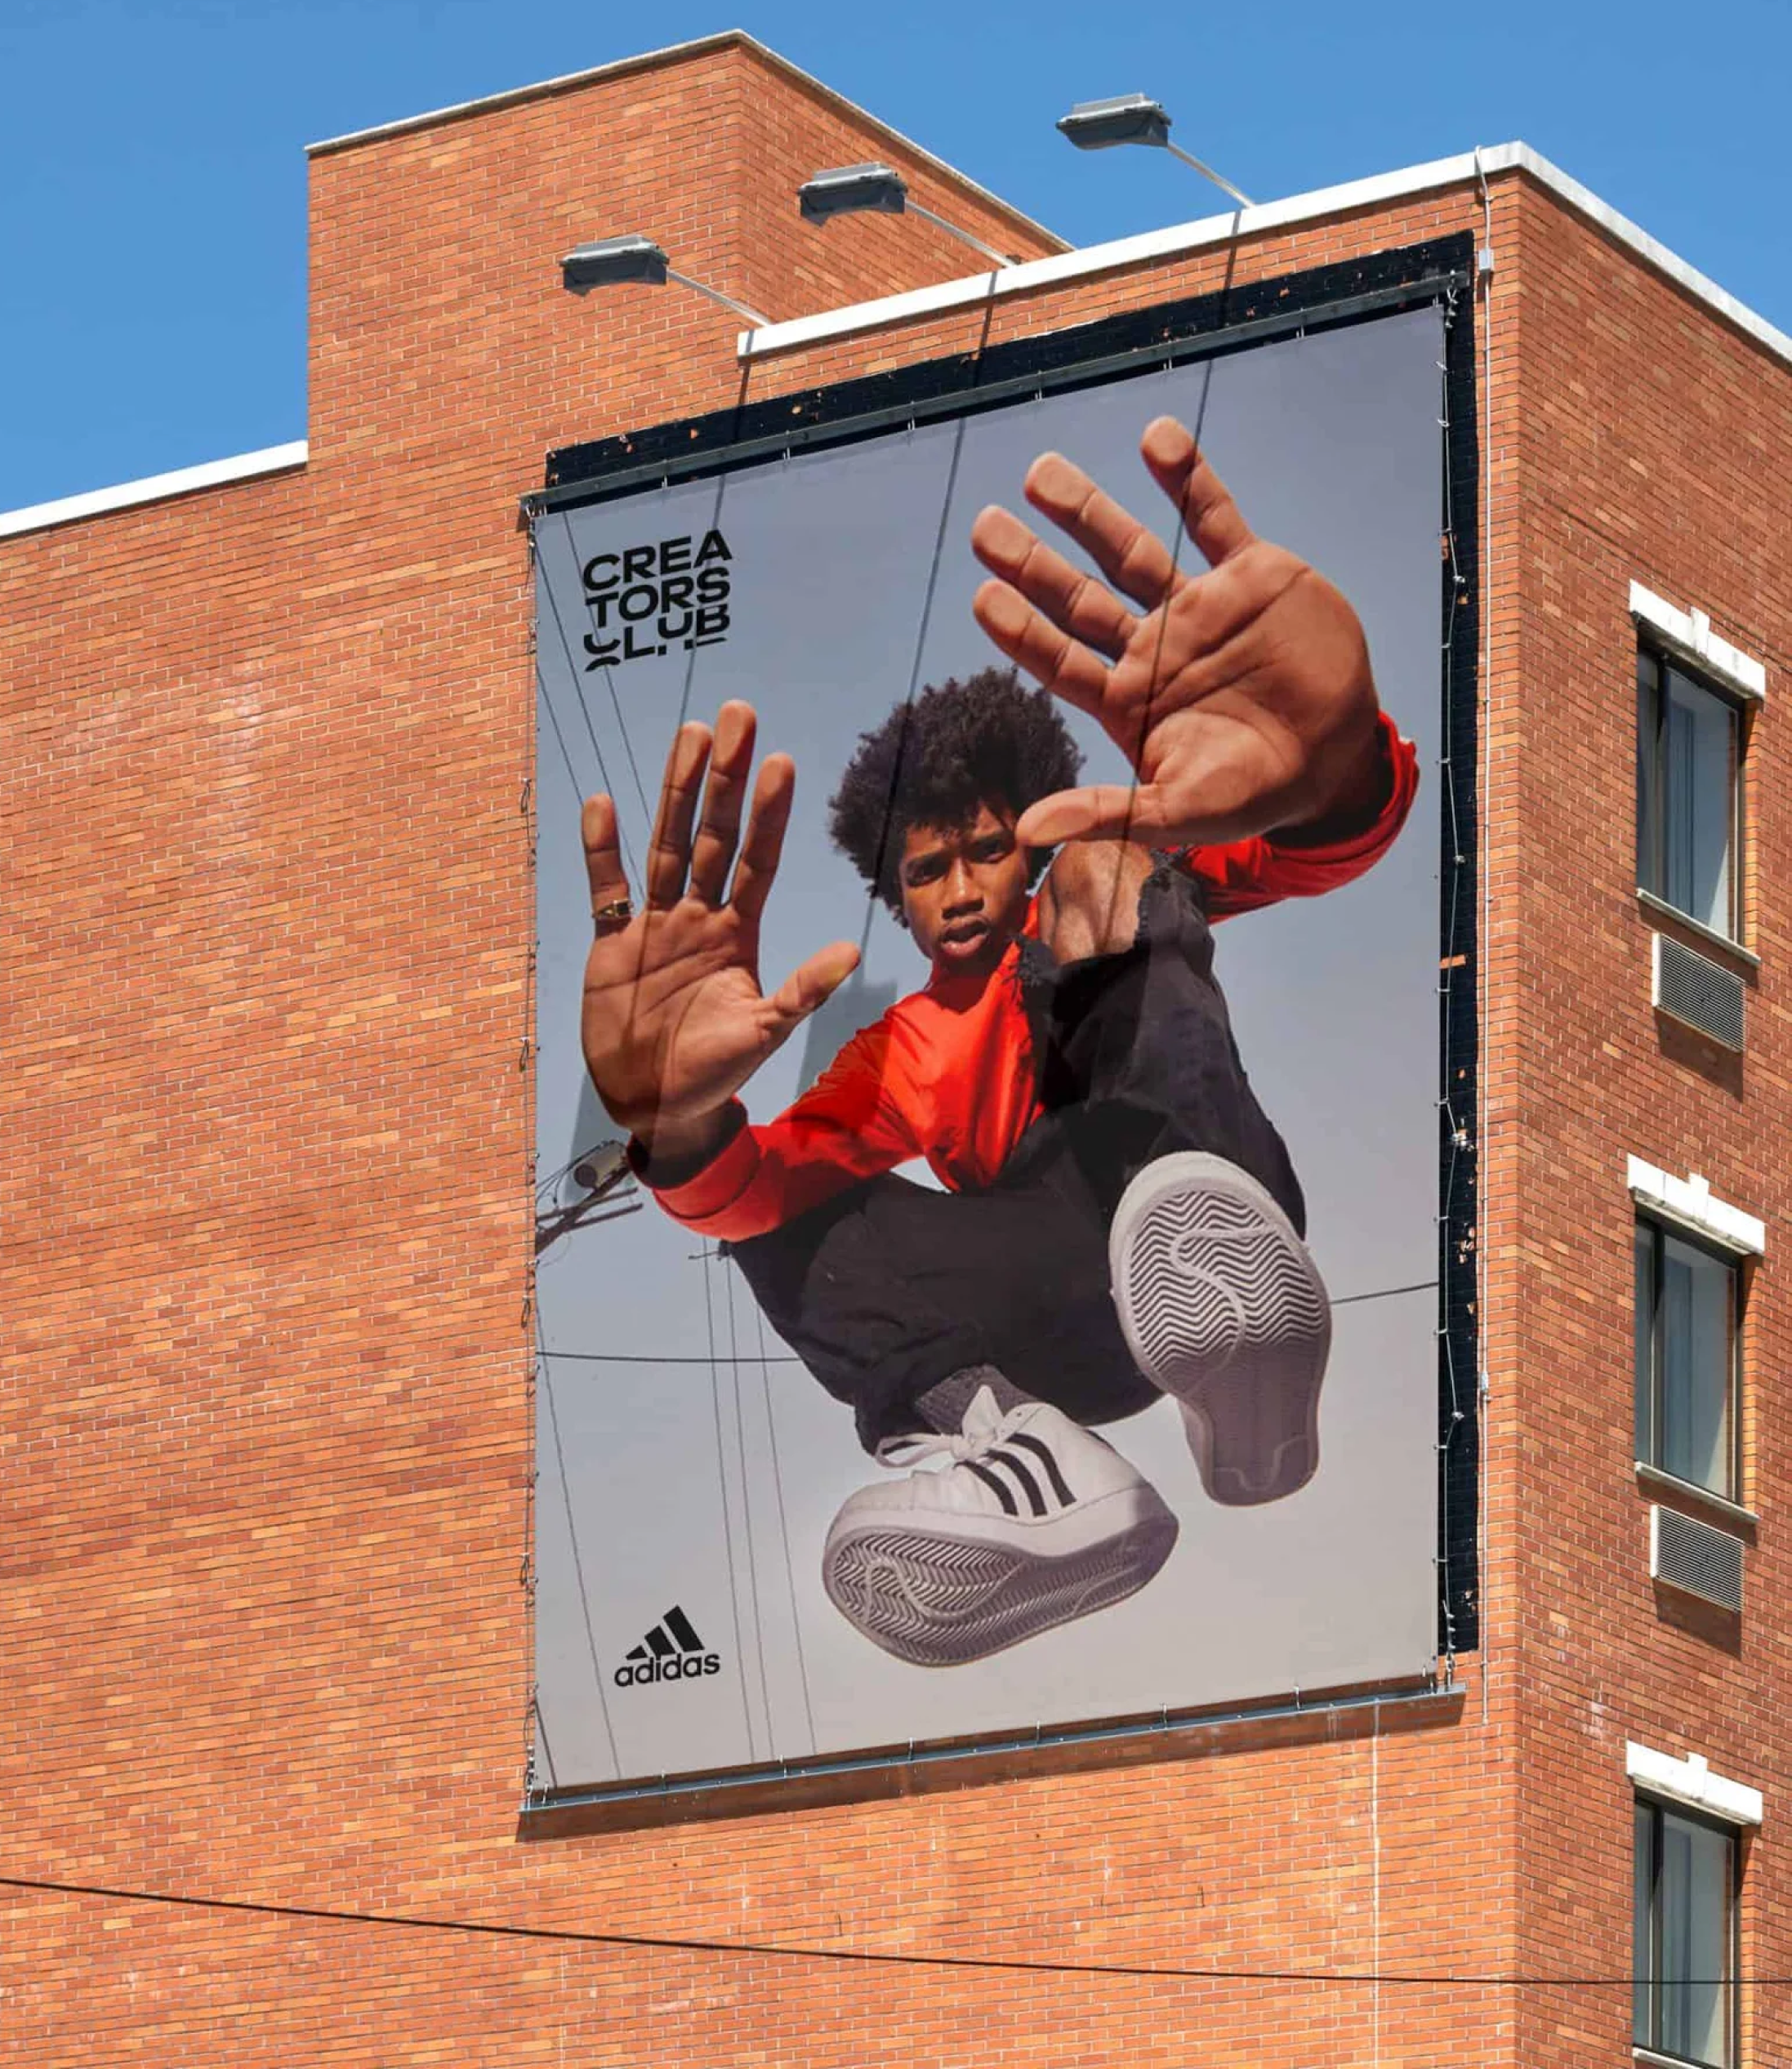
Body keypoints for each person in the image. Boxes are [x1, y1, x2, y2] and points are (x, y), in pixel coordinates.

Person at [576, 416, 1418, 1666]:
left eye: (985, 850)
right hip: (1051, 1317)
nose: (964, 889)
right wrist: (674, 1120)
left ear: (1018, 841)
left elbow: (1312, 847)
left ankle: (1237, 1308)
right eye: (927, 872)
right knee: (773, 1226)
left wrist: (1336, 759)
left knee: (1112, 864)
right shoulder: (903, 1045)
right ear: (896, 895)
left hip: (1175, 1200)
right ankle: (1019, 1456)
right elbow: (752, 1192)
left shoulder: (1092, 875)